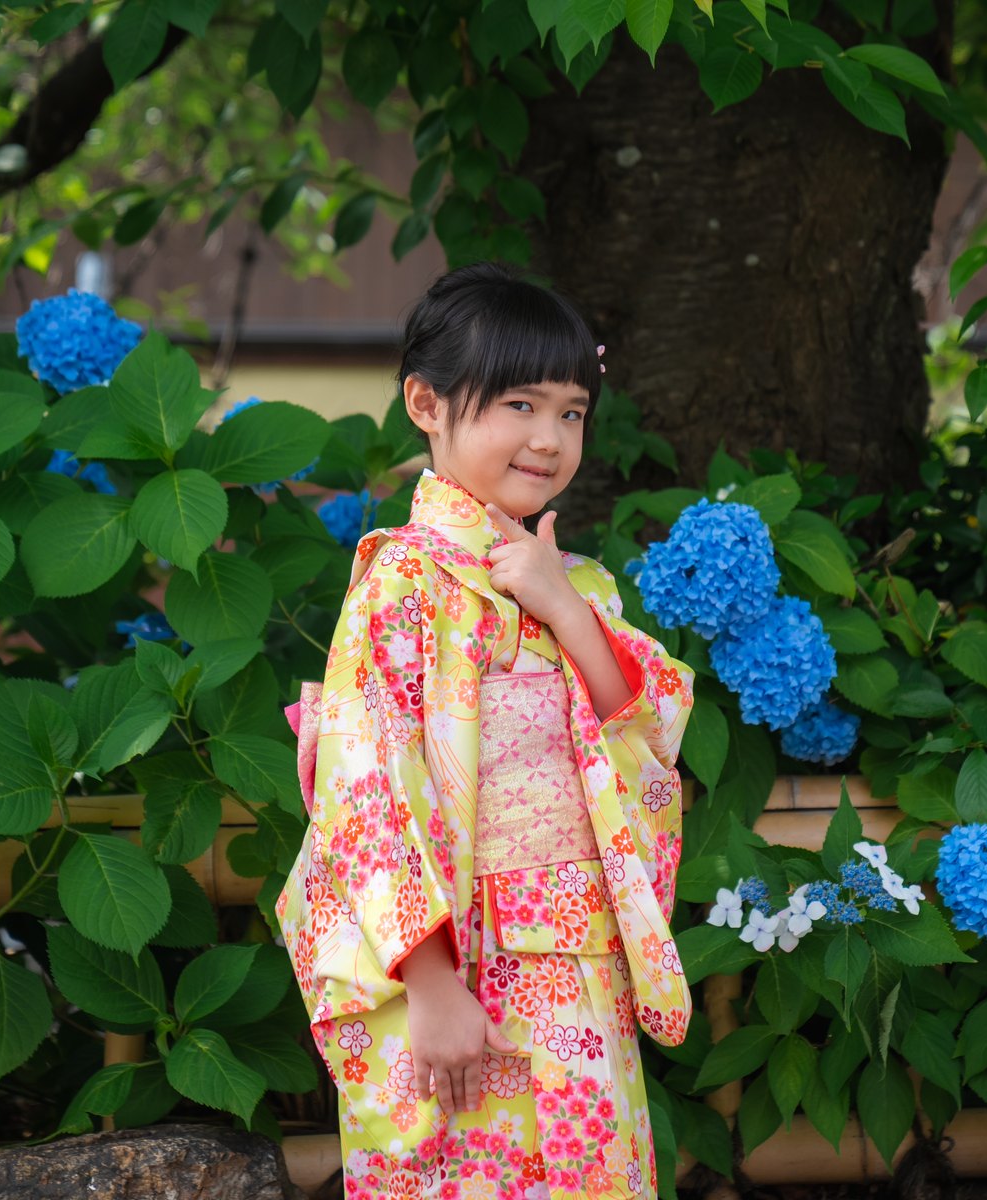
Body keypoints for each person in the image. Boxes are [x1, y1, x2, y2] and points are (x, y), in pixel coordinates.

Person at [276, 261, 696, 1199]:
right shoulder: (401, 581)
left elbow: (649, 727)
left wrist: (564, 609)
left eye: (572, 412)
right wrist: (429, 984)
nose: (550, 437)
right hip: (452, 959)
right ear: (426, 403)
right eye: (520, 404)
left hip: (577, 955)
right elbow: (364, 785)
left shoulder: (579, 585)